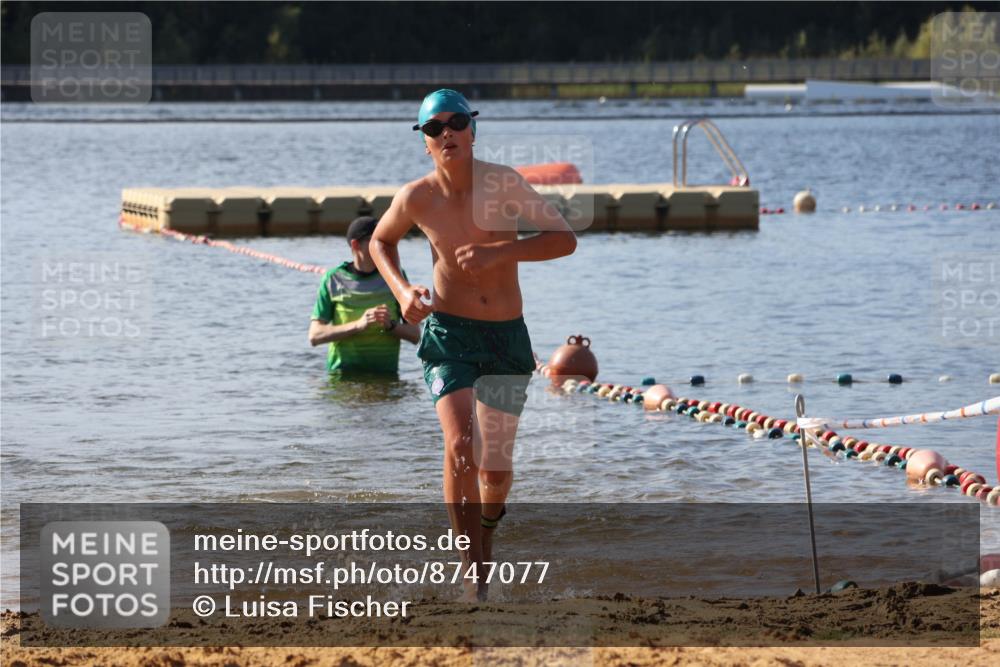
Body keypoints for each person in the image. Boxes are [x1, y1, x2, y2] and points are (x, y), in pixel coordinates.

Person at [370, 89, 577, 601]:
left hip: (506, 338)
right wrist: (404, 293)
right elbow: (380, 241)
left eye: (456, 122)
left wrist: (501, 251)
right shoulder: (417, 196)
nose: (447, 133)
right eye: (433, 127)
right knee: (461, 445)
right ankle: (474, 576)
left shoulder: (502, 183)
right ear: (423, 141)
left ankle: (487, 529)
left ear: (472, 130)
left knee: (496, 470)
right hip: (449, 335)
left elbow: (563, 237)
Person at [309, 216, 420, 374]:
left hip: (386, 377)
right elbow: (315, 335)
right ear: (355, 245)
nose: (381, 244)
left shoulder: (395, 277)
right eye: (374, 240)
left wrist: (391, 326)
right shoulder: (333, 279)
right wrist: (358, 325)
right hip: (343, 379)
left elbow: (415, 335)